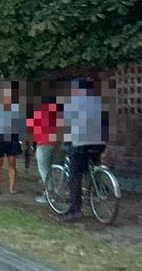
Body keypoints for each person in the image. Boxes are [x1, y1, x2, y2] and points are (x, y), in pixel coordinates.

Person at [59, 77, 108, 221]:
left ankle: (75, 210)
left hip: (81, 144)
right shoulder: (98, 102)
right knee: (92, 166)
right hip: (98, 144)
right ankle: (97, 188)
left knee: (75, 176)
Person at [27, 94, 60, 204]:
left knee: (44, 169)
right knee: (50, 168)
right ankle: (52, 191)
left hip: (43, 143)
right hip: (54, 144)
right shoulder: (56, 113)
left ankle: (48, 194)